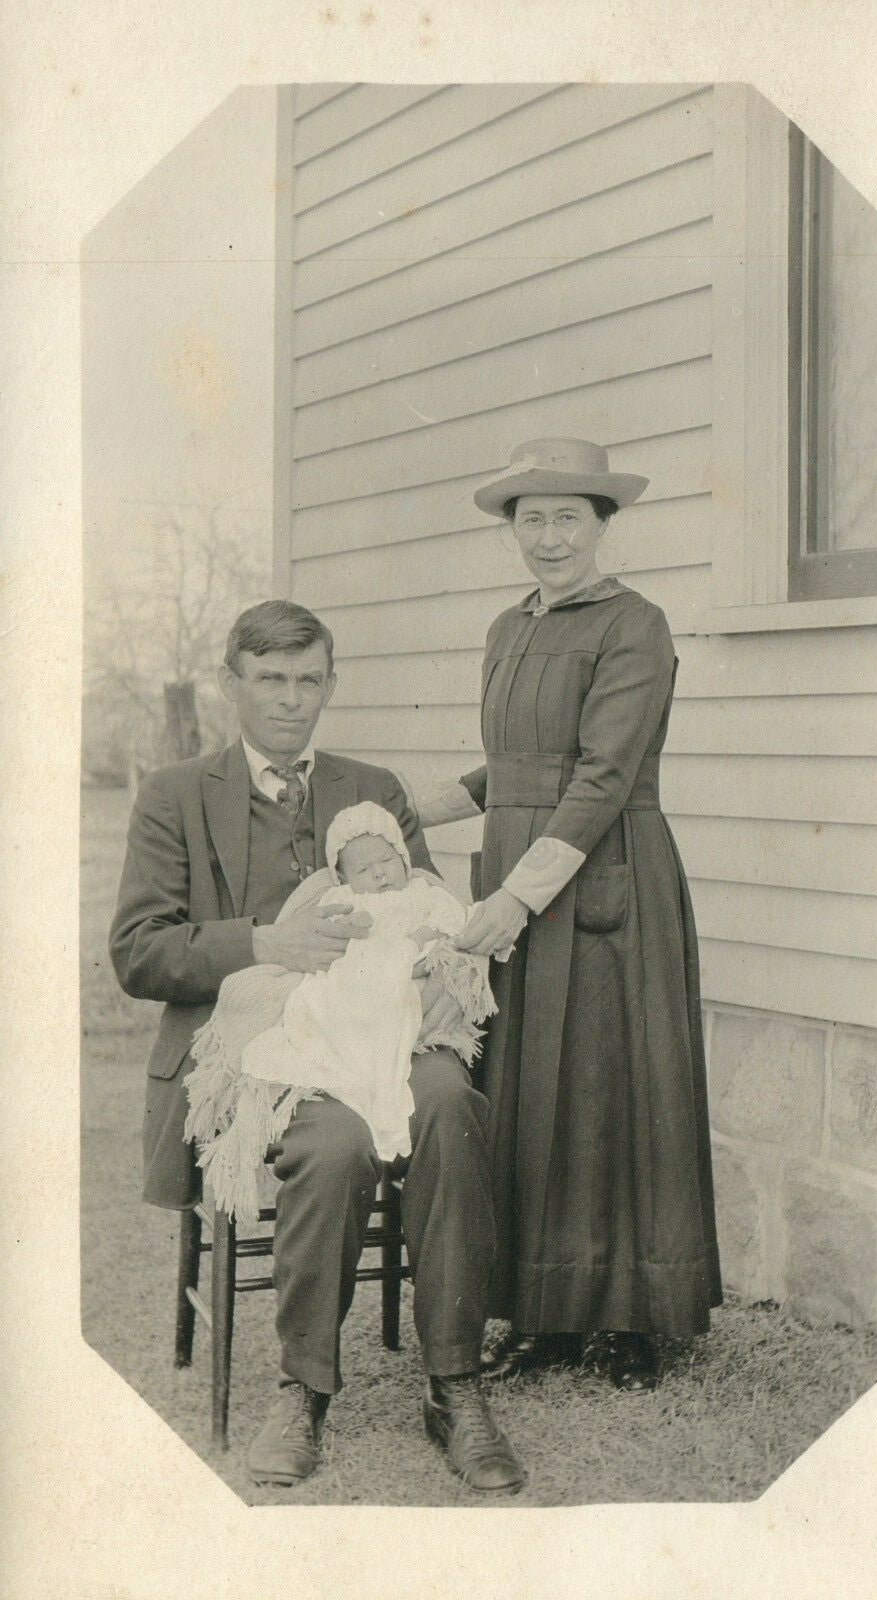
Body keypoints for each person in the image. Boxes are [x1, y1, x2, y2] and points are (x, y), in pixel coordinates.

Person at [109, 600, 524, 1493]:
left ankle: (454, 1382)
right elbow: (138, 951)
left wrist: (427, 968)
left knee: (450, 1104)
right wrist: (262, 943)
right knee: (332, 1145)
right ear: (233, 685)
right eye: (270, 681)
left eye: (308, 681)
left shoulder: (371, 787)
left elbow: (425, 912)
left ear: (329, 683)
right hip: (256, 1048)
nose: (290, 701)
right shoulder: (176, 794)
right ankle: (303, 1389)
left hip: (385, 1025)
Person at [413, 438, 722, 1392]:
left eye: (567, 519)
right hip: (518, 878)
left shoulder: (635, 623)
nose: (548, 538)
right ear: (512, 530)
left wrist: (514, 896)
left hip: (605, 882)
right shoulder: (509, 628)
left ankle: (632, 1322)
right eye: (530, 519)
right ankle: (543, 1316)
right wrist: (403, 807)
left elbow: (599, 779)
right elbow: (510, 768)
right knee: (529, 1095)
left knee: (607, 1090)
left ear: (601, 526)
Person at [183, 800, 498, 1224]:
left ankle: (453, 1290)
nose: (381, 873)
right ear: (344, 876)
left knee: (450, 1104)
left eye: (388, 861)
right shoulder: (336, 898)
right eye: (366, 870)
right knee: (333, 1145)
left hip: (411, 1016)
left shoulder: (422, 893)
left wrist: (443, 953)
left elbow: (459, 927)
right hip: (345, 1009)